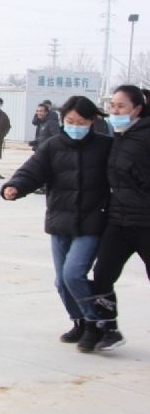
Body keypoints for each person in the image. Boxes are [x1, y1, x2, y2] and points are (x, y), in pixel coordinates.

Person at [1, 96, 112, 346]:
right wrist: (15, 186)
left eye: (81, 122)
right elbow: (32, 171)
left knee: (74, 274)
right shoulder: (53, 146)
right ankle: (79, 321)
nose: (75, 126)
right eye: (70, 121)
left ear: (92, 122)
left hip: (92, 222)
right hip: (60, 221)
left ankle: (96, 322)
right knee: (61, 281)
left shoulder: (106, 146)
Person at [84, 85, 150, 352]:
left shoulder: (145, 136)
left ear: (137, 109)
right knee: (102, 275)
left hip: (146, 222)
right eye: (112, 105)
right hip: (119, 220)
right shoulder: (118, 136)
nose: (115, 110)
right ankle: (107, 328)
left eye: (121, 106)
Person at [29, 103, 61, 194]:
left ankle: (46, 188)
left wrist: (50, 147)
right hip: (42, 150)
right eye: (38, 111)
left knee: (45, 169)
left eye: (41, 111)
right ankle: (43, 187)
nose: (39, 113)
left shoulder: (51, 123)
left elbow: (57, 136)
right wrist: (35, 142)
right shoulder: (43, 123)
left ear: (47, 112)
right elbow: (44, 136)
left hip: (49, 151)